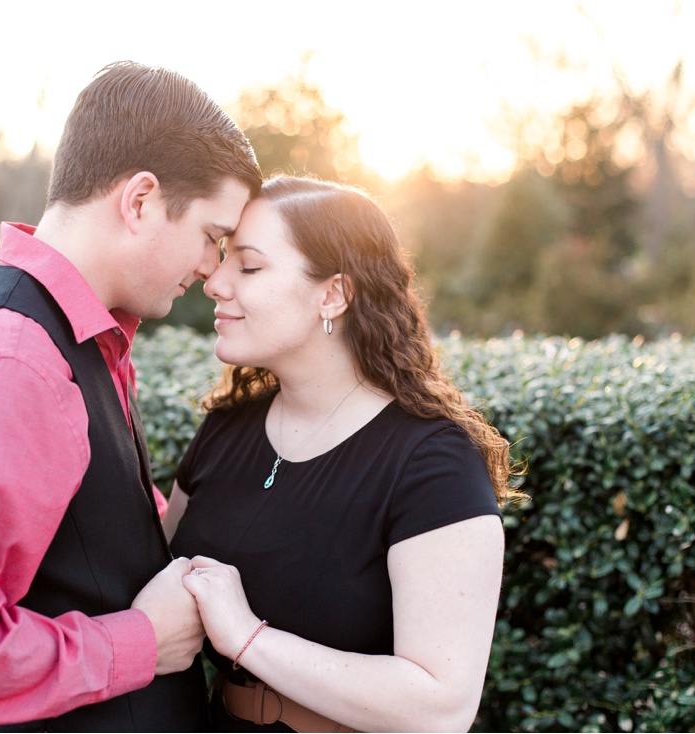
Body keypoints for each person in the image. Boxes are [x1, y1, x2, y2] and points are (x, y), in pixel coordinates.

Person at [0, 61, 261, 731]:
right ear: (139, 201)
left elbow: (88, 549)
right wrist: (139, 642)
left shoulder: (82, 340)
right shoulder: (12, 364)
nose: (211, 269)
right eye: (212, 238)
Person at [161, 176, 524, 732]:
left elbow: (440, 706)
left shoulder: (433, 463)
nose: (214, 282)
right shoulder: (227, 427)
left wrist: (248, 638)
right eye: (222, 258)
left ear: (333, 293)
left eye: (249, 267)